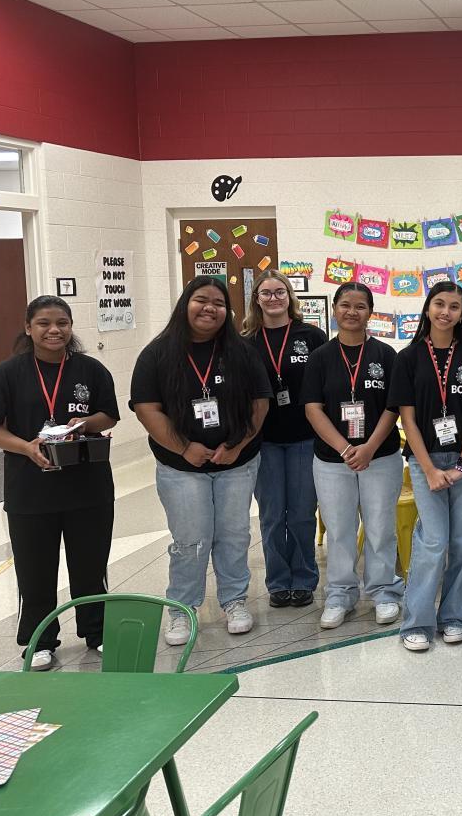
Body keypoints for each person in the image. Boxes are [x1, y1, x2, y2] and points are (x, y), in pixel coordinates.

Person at [0, 296, 119, 670]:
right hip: (30, 491)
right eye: (43, 323)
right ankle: (39, 640)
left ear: (70, 326)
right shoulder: (6, 375)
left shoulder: (91, 370)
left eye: (62, 323)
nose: (54, 330)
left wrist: (84, 424)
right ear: (28, 328)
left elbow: (109, 416)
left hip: (88, 488)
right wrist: (26, 447)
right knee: (35, 572)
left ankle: (97, 632)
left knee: (91, 568)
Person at [131, 277, 270, 644]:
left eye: (219, 303)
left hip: (236, 462)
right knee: (190, 538)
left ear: (228, 311)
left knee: (234, 534)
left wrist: (237, 445)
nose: (210, 308)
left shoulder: (242, 352)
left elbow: (260, 403)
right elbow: (146, 409)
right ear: (185, 304)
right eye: (201, 300)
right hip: (181, 467)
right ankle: (182, 607)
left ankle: (234, 600)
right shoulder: (157, 354)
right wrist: (183, 447)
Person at [392, 281, 462, 651]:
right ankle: (416, 622)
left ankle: (453, 617)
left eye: (454, 306)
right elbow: (407, 419)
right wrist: (430, 470)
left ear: (461, 314)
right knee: (433, 540)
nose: (445, 312)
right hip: (426, 460)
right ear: (427, 309)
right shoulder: (408, 357)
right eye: (439, 304)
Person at [302, 282, 404, 629]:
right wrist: (345, 449)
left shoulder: (385, 355)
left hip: (381, 457)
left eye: (360, 306)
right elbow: (313, 409)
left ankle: (384, 591)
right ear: (334, 308)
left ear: (370, 312)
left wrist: (369, 447)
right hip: (333, 460)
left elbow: (393, 407)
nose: (352, 312)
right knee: (339, 529)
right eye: (345, 305)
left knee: (380, 528)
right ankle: (340, 594)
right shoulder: (320, 357)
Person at [243, 269, 327, 609]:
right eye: (266, 293)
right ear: (256, 299)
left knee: (303, 513)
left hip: (305, 437)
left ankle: (304, 579)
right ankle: (278, 582)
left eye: (280, 292)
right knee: (273, 515)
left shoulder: (313, 336)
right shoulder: (246, 341)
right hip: (264, 441)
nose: (274, 298)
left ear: (290, 297)